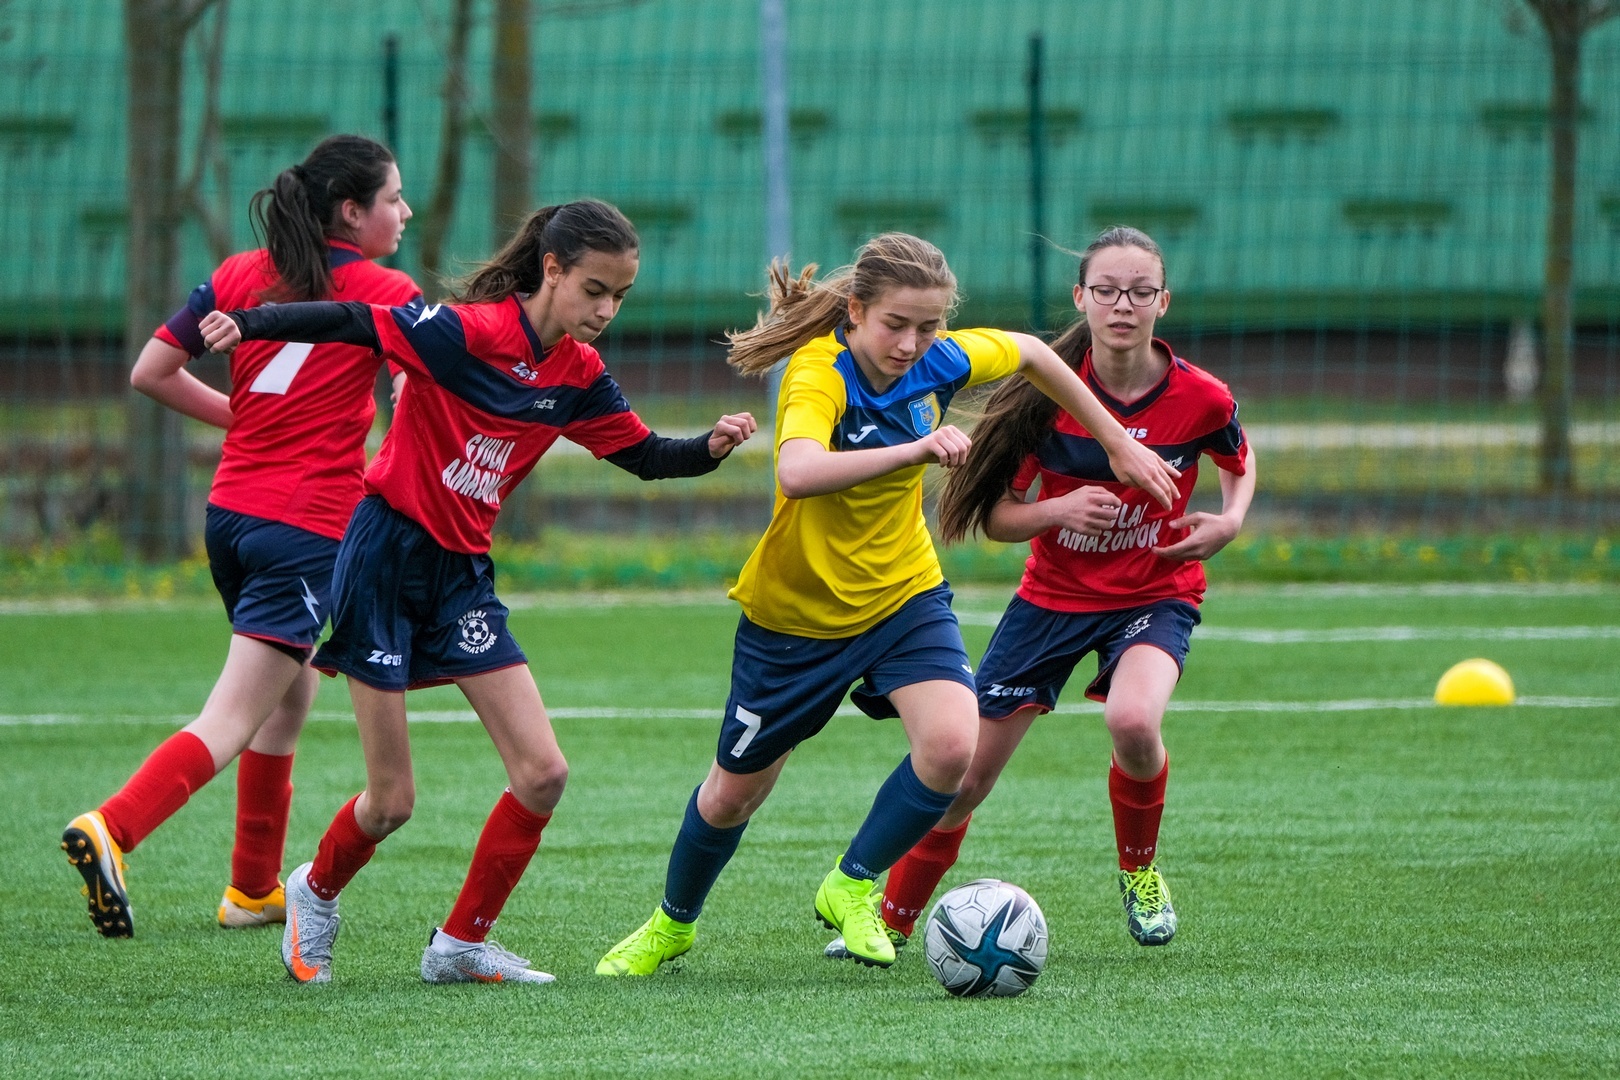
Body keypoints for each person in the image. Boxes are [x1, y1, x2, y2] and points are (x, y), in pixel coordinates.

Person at [197, 198, 757, 986]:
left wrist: (711, 446)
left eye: (621, 296)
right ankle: (313, 892)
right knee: (391, 802)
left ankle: (459, 944)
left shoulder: (577, 375)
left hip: (461, 576)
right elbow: (354, 321)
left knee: (543, 773)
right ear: (552, 270)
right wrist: (250, 324)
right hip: (383, 561)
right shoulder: (465, 332)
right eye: (594, 289)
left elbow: (644, 455)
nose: (607, 310)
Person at [595, 232, 1183, 976]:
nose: (911, 345)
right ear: (856, 311)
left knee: (952, 746)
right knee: (731, 797)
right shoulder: (820, 371)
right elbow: (799, 470)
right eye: (895, 325)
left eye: (929, 327)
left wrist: (1117, 442)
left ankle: (852, 884)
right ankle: (672, 925)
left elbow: (1035, 354)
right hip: (796, 618)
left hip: (904, 595)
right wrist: (915, 450)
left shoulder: (942, 359)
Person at [842, 225, 1255, 958]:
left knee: (1133, 720)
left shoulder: (1201, 397)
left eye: (1140, 292)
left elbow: (1238, 463)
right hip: (1051, 601)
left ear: (1163, 302)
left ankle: (1140, 873)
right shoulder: (1046, 396)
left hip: (1155, 594)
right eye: (1106, 290)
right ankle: (894, 920)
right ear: (1080, 297)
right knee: (965, 778)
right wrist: (1058, 511)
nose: (1122, 305)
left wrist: (1229, 521)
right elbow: (996, 517)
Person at [63, 135, 420, 938]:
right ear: (351, 212)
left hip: (230, 516)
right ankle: (112, 828)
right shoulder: (388, 291)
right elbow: (416, 401)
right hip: (305, 528)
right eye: (393, 198)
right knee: (230, 716)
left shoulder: (239, 274)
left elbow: (150, 371)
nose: (406, 211)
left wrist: (248, 421)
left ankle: (252, 890)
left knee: (289, 696)